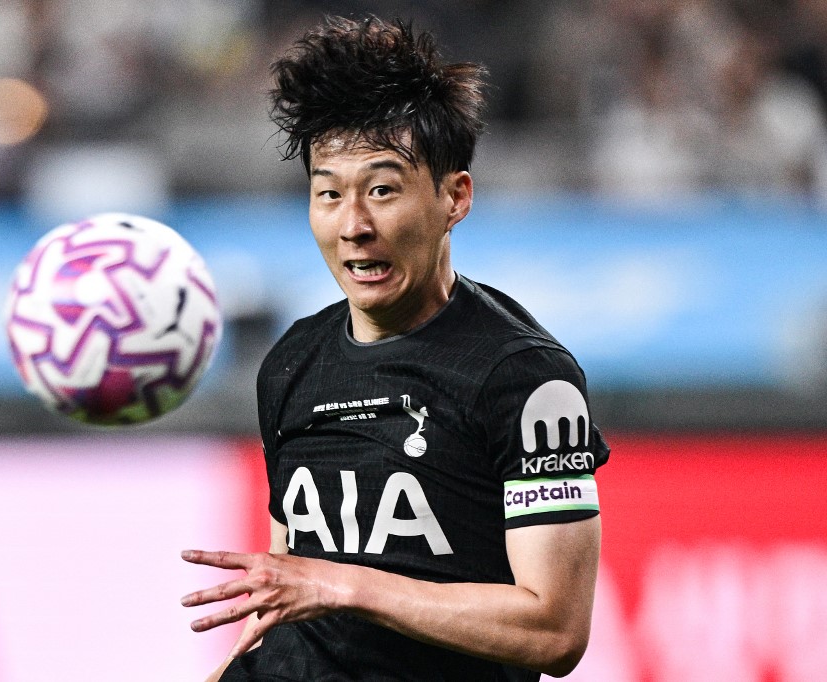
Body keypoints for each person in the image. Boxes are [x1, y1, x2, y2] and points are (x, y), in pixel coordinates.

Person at [181, 15, 609, 681]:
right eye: (329, 194)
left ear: (454, 197)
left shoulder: (524, 378)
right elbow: (288, 595)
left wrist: (348, 585)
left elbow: (555, 630)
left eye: (382, 190)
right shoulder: (293, 361)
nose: (353, 225)